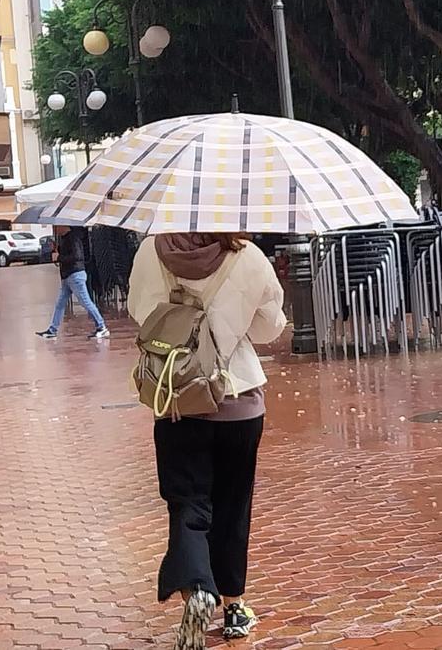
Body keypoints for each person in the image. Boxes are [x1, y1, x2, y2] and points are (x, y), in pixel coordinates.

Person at [127, 232, 286, 649]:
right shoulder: (248, 256)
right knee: (233, 506)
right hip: (238, 397)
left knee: (187, 503)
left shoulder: (150, 251)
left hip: (178, 399)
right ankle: (234, 607)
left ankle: (197, 588)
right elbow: (269, 327)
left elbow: (139, 311)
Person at [36, 227, 109, 340]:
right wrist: (57, 251)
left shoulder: (73, 238)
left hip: (75, 275)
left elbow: (77, 256)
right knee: (60, 304)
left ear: (64, 226)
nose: (55, 229)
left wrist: (59, 257)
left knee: (86, 302)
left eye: (56, 226)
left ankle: (102, 327)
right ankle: (52, 330)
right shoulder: (64, 239)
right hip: (67, 276)